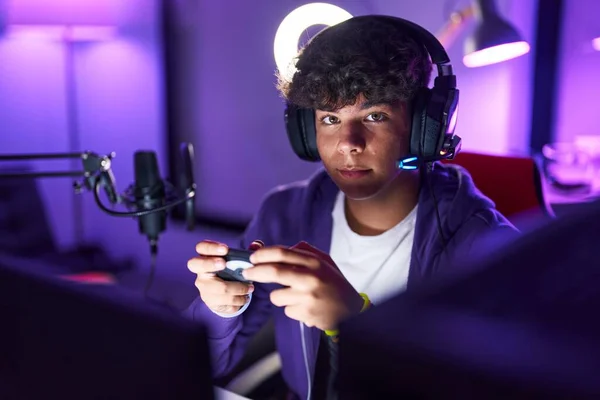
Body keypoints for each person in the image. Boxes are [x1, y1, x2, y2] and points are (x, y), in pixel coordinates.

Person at [185, 14, 518, 400]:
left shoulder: (486, 246)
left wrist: (352, 326)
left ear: (424, 128)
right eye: (330, 118)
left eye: (374, 116)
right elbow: (195, 367)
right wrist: (220, 309)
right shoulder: (283, 213)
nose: (348, 144)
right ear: (308, 132)